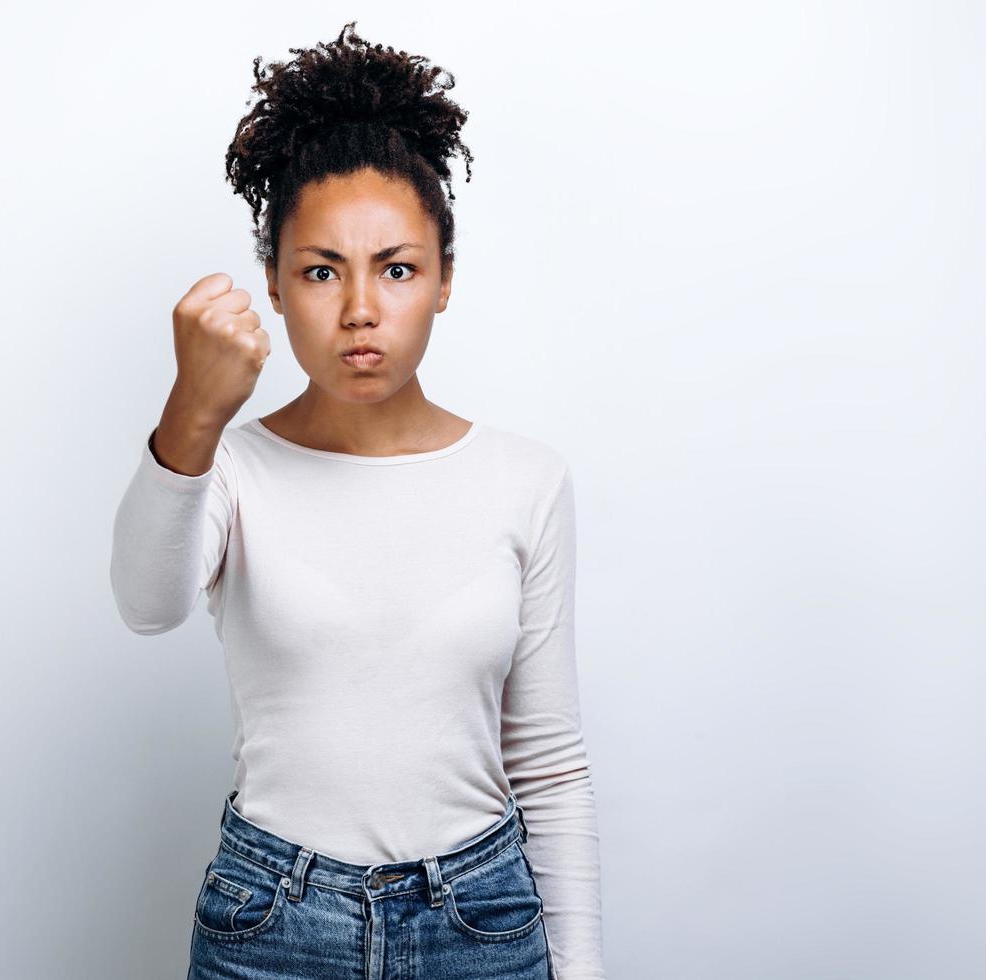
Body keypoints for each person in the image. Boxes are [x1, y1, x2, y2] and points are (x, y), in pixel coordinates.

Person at [111, 21, 604, 979]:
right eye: (321, 271)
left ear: (444, 281)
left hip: (483, 924)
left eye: (397, 268)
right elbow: (145, 604)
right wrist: (192, 413)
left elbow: (547, 764)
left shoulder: (525, 480)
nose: (360, 312)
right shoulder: (233, 467)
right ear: (275, 285)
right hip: (273, 926)